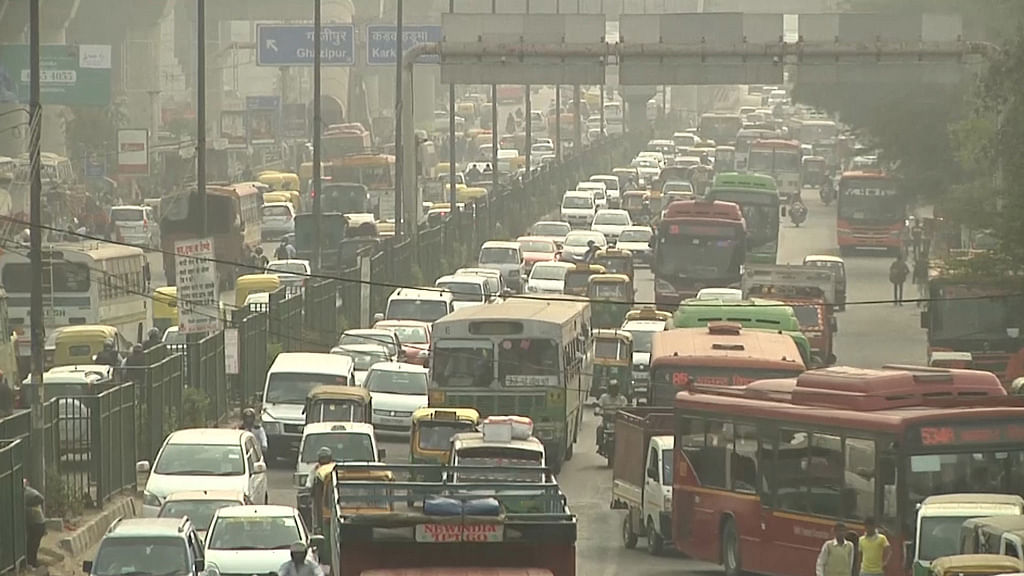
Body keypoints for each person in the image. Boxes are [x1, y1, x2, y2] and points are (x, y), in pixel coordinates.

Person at [309, 447, 336, 536]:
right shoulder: (316, 470)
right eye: (322, 458)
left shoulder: (334, 468)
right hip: (320, 502)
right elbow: (309, 484)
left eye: (326, 458)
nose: (324, 460)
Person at [595, 380, 629, 450]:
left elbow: (626, 408)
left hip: (618, 422)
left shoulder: (622, 399)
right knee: (599, 429)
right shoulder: (604, 397)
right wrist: (597, 411)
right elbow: (598, 406)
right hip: (606, 421)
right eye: (612, 389)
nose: (613, 391)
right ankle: (600, 446)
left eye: (615, 389)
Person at [24, 478, 45, 567]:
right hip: (34, 522)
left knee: (32, 545)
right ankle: (32, 563)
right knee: (31, 544)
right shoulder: (25, 493)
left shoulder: (28, 492)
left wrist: (28, 504)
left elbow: (41, 498)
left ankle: (32, 563)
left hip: (37, 523)